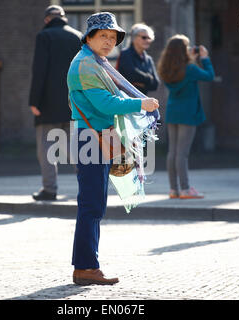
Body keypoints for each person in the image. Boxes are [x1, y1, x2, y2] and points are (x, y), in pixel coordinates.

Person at [67, 12, 159, 285]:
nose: (109, 41)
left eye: (113, 37)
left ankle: (86, 265)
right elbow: (106, 104)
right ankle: (85, 267)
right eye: (103, 36)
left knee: (94, 204)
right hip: (91, 139)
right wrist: (140, 104)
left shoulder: (96, 61)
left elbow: (112, 98)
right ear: (89, 37)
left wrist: (135, 102)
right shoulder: (85, 65)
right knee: (91, 205)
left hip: (99, 136)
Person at [28, 5, 82, 201]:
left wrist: (34, 101)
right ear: (64, 18)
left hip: (48, 105)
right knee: (77, 149)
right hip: (74, 104)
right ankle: (87, 187)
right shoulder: (78, 37)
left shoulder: (44, 37)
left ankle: (49, 190)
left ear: (47, 20)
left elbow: (39, 71)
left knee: (47, 149)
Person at [157, 34, 215, 199]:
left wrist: (191, 58)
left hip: (172, 111)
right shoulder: (189, 69)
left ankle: (173, 189)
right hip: (188, 113)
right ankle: (186, 189)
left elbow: (182, 72)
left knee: (172, 152)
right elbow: (209, 75)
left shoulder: (166, 69)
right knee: (182, 153)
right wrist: (205, 58)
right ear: (183, 51)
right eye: (187, 47)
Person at [116, 23, 159, 95]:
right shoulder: (125, 54)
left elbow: (156, 84)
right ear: (134, 38)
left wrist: (140, 81)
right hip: (127, 99)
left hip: (143, 101)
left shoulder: (149, 59)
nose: (147, 40)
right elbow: (131, 74)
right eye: (144, 37)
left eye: (149, 38)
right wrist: (149, 78)